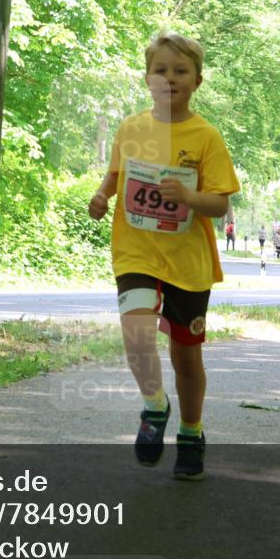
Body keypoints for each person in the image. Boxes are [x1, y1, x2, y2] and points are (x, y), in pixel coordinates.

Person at [88, 32, 239, 480]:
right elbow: (116, 176)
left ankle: (191, 432)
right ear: (147, 77)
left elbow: (220, 204)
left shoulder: (206, 136)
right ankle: (154, 406)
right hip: (136, 251)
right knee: (135, 331)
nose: (169, 78)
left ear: (197, 80)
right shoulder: (131, 128)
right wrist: (100, 197)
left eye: (180, 70)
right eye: (161, 70)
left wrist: (191, 196)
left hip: (187, 264)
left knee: (185, 356)